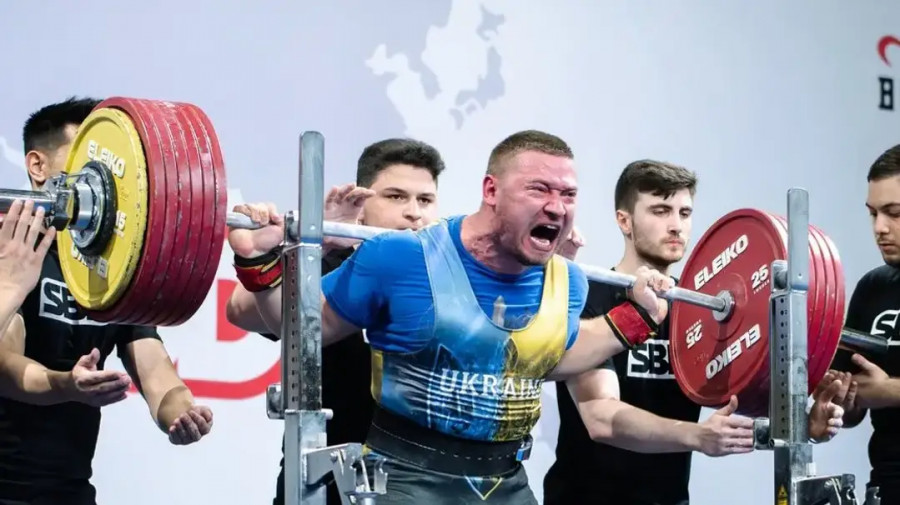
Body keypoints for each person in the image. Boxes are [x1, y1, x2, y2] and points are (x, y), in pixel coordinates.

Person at [226, 129, 674, 504]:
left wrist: (638, 317)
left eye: (568, 194)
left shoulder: (568, 282)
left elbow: (547, 358)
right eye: (539, 190)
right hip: (394, 475)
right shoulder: (396, 257)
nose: (557, 207)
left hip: (505, 483)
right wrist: (268, 259)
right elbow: (290, 325)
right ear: (491, 191)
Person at [542, 160, 848, 505]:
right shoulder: (590, 295)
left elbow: (742, 399)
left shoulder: (701, 310)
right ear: (624, 221)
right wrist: (697, 435)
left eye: (684, 213)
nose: (676, 226)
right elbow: (601, 418)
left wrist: (802, 426)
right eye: (660, 211)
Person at [0, 97, 213, 505]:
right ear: (38, 166)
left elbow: (153, 366)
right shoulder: (11, 250)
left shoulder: (113, 266)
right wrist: (66, 384)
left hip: (70, 490)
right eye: (79, 156)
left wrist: (180, 409)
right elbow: (6, 368)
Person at [226, 138, 446, 505]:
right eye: (395, 197)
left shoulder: (448, 276)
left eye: (425, 200)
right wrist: (322, 245)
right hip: (325, 481)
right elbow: (240, 310)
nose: (414, 213)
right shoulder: (331, 262)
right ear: (362, 205)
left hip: (422, 481)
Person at [829, 143, 900, 503]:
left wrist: (889, 392)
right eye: (873, 214)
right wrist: (839, 400)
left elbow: (880, 391)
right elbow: (851, 409)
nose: (880, 228)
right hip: (887, 485)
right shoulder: (872, 287)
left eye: (894, 213)